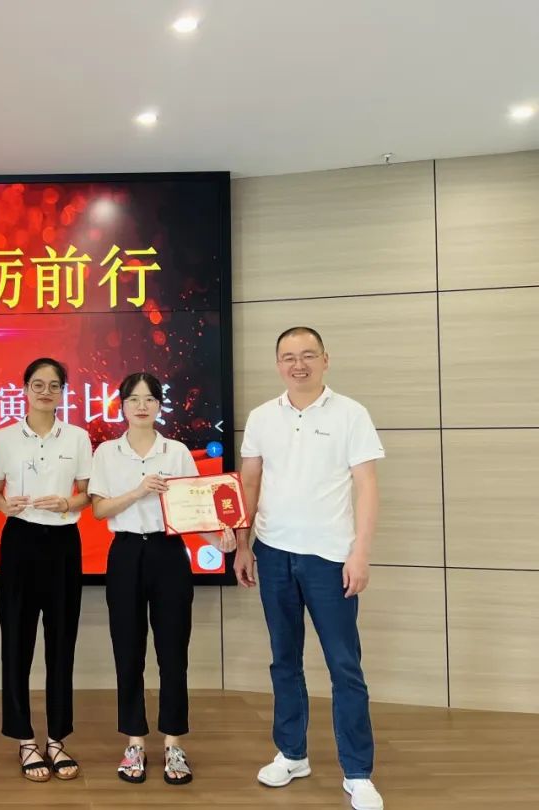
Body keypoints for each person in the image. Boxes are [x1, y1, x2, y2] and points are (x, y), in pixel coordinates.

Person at [235, 326, 385, 810]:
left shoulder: (350, 413)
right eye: (288, 357)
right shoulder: (262, 417)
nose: (297, 365)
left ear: (325, 359)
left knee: (345, 665)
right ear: (278, 363)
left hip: (330, 557)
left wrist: (360, 552)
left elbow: (367, 486)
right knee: (284, 660)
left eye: (307, 355)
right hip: (273, 552)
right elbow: (248, 484)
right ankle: (292, 753)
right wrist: (243, 543)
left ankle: (358, 772)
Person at [88, 372, 235, 786]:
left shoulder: (177, 452)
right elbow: (99, 510)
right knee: (128, 650)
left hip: (169, 554)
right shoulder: (107, 453)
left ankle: (173, 742)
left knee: (173, 652)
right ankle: (134, 741)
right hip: (125, 553)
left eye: (149, 399)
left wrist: (220, 538)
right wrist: (138, 491)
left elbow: (193, 510)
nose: (141, 406)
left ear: (159, 405)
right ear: (121, 405)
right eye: (133, 399)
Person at [0, 357, 93, 782]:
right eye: (38, 384)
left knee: (61, 642)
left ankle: (57, 738)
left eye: (53, 385)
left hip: (64, 542)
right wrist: (3, 506)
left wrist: (68, 503)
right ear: (25, 389)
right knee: (17, 640)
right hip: (20, 539)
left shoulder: (79, 438)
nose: (45, 392)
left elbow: (87, 494)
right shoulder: (4, 438)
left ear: (63, 392)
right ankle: (24, 739)